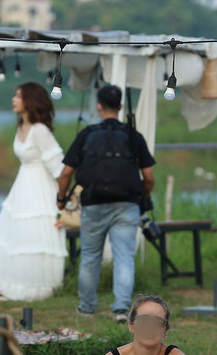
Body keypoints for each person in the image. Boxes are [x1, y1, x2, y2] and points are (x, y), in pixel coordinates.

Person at [56, 84, 155, 321]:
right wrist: (142, 195)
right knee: (124, 257)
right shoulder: (134, 137)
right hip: (127, 204)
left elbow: (66, 172)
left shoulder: (87, 135)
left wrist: (61, 198)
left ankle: (87, 307)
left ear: (98, 106)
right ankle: (121, 309)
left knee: (90, 256)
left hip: (93, 203)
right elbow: (149, 177)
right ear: (120, 107)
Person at [0, 83, 67, 301]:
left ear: (30, 101)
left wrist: (64, 200)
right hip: (22, 187)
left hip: (41, 188)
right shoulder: (22, 125)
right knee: (12, 236)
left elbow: (59, 167)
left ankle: (32, 286)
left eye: (18, 96)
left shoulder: (40, 130)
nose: (14, 99)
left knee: (33, 234)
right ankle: (2, 283)